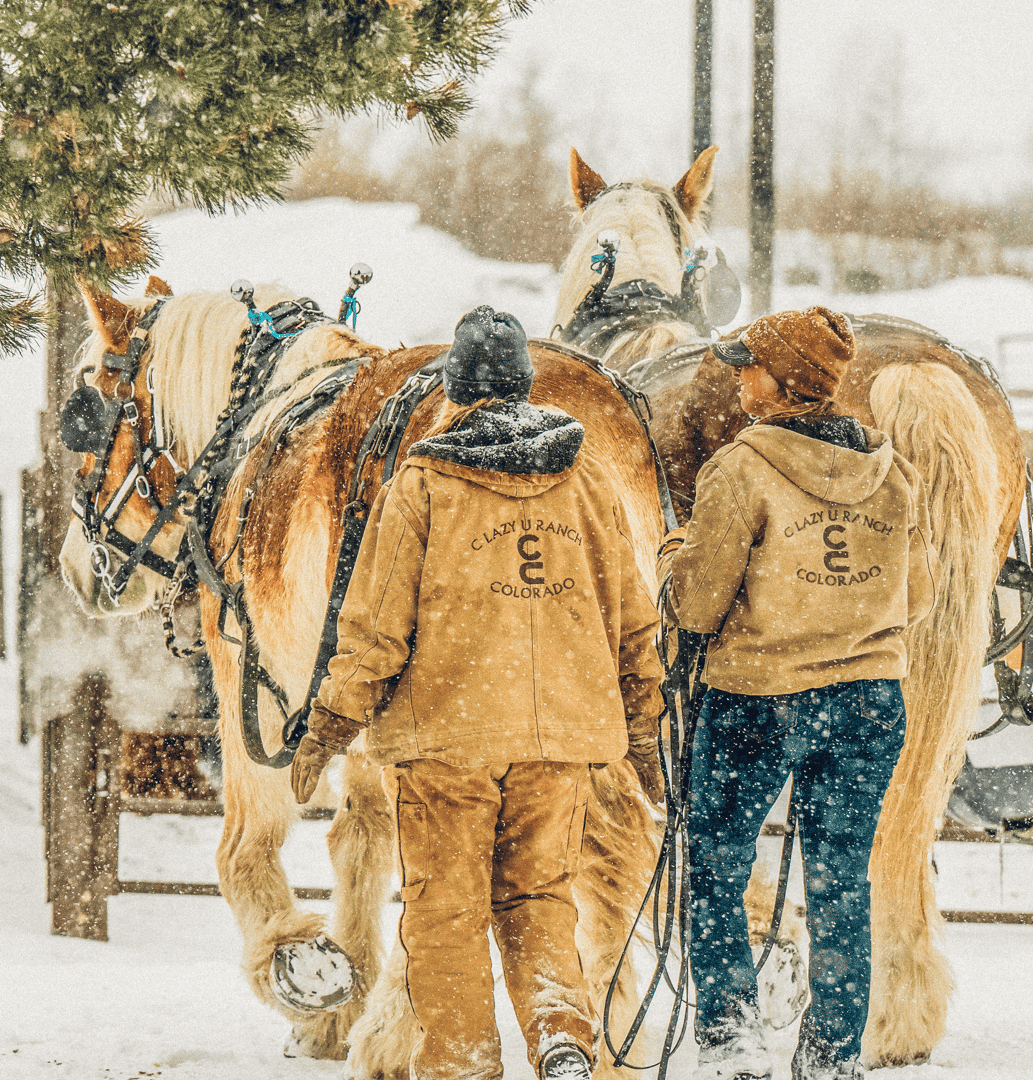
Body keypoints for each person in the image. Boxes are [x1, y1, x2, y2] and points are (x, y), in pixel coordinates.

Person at [291, 306, 667, 1080]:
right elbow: (633, 622)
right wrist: (644, 735)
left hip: (446, 744)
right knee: (538, 898)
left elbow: (375, 630)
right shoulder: (589, 481)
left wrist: (329, 725)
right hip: (561, 743)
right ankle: (561, 1032)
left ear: (454, 393)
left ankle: (463, 1064)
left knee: (446, 913)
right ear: (527, 389)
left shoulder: (424, 485)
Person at [657, 306, 932, 1080]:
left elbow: (700, 605)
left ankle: (732, 1037)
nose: (739, 377)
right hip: (870, 700)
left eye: (749, 365)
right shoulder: (894, 471)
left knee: (715, 864)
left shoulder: (741, 468)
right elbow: (917, 596)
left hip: (758, 696)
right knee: (842, 878)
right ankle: (832, 1052)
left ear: (783, 383)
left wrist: (676, 557)